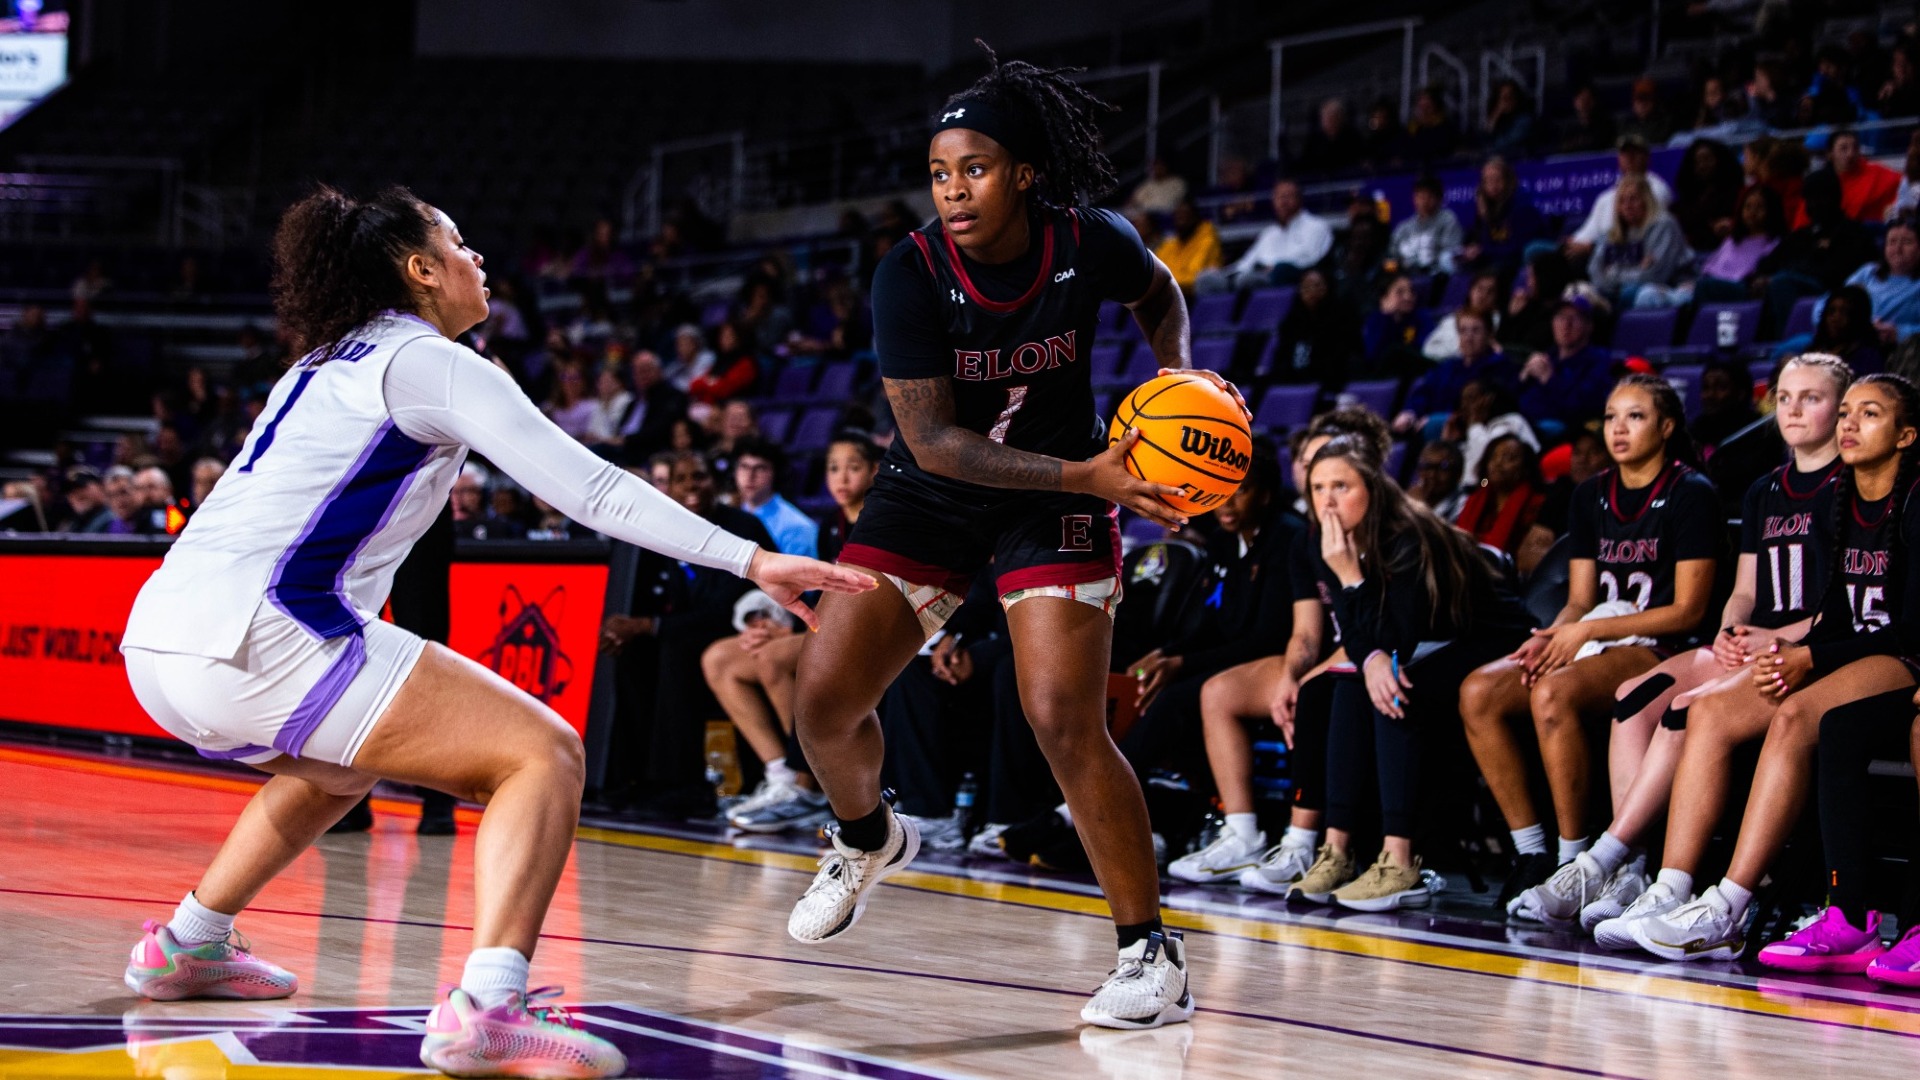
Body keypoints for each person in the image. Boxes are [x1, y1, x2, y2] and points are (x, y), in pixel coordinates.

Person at [115, 185, 870, 1080]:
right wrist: (750, 560)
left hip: (161, 640)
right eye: (460, 243)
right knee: (543, 754)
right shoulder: (431, 363)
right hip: (266, 633)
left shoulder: (322, 360)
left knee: (338, 767)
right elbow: (590, 491)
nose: (479, 259)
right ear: (421, 270)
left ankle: (190, 944)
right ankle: (488, 1011)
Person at [784, 45, 1234, 1030]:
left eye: (975, 168)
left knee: (1061, 717)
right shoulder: (908, 275)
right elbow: (936, 442)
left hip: (1055, 498)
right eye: (941, 173)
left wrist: (1179, 380)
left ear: (1025, 174)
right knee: (821, 704)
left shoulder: (1089, 239)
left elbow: (1161, 291)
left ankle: (1150, 955)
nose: (953, 189)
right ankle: (867, 837)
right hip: (939, 488)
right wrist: (1094, 474)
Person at [1507, 354, 1846, 929]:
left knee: (1689, 710)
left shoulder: (1850, 487)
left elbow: (1846, 603)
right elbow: (1743, 590)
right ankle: (1630, 870)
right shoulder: (1765, 489)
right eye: (1785, 397)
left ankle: (1615, 864)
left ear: (1841, 411)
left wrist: (1771, 637)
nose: (1792, 408)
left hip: (1805, 646)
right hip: (1752, 639)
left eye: (1810, 398)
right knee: (1637, 696)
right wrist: (1732, 628)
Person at [1611, 373, 1920, 961]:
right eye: (1847, 413)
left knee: (1797, 715)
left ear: (1907, 436)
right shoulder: (1841, 495)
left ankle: (1730, 903)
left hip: (1904, 657)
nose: (1850, 425)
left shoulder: (1915, 499)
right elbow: (1835, 607)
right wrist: (1782, 649)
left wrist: (1809, 656)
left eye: (1870, 414)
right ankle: (1671, 889)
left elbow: (1908, 629)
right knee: (1712, 711)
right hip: (1840, 649)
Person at [1458, 375, 1721, 907]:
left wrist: (1583, 631)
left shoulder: (1691, 492)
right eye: (1611, 416)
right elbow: (1579, 599)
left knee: (1553, 692)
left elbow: (1688, 611)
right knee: (1478, 692)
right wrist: (1552, 635)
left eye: (1636, 416)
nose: (1618, 429)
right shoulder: (1589, 494)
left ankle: (1574, 862)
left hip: (1664, 646)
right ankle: (1532, 851)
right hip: (1598, 636)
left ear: (1667, 426)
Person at [1285, 435, 1534, 908]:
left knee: (1396, 688)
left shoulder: (1408, 535)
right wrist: (1372, 655)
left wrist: (1352, 585)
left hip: (1495, 638)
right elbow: (1359, 636)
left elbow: (1398, 636)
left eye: (1342, 485)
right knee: (1343, 685)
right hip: (1426, 639)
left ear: (1373, 489)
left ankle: (1400, 859)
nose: (1328, 500)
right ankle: (1337, 849)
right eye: (1318, 488)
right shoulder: (1326, 539)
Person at [1188, 412, 1394, 892]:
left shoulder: (1389, 532)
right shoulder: (1307, 538)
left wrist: (1307, 676)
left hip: (1386, 651)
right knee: (1219, 691)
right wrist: (1291, 674)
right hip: (1335, 651)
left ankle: (1304, 842)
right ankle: (1242, 834)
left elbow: (1381, 628)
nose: (1316, 482)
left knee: (1320, 690)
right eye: (1308, 467)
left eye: (1329, 472)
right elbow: (1306, 633)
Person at [717, 431, 882, 833]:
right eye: (833, 468)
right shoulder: (832, 524)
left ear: (875, 472)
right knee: (720, 658)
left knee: (775, 658)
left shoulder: (879, 519)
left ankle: (809, 783)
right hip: (827, 624)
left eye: (853, 468)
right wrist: (774, 624)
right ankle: (783, 776)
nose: (841, 478)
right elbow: (811, 592)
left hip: (872, 631)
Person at [1635, 183, 1785, 310]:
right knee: (1646, 293)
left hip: (1735, 291)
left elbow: (1752, 279)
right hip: (1703, 286)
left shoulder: (1775, 244)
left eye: (1760, 207)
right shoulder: (1732, 240)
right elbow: (1709, 269)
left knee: (1699, 289)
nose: (1752, 212)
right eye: (1748, 207)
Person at [1397, 309, 1517, 438]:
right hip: (1431, 426)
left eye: (1476, 331)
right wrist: (1411, 413)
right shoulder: (1448, 366)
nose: (1468, 337)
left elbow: (1486, 408)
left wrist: (1438, 420)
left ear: (1489, 335)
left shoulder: (1500, 367)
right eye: (1463, 331)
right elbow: (1425, 393)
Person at [1197, 180, 1333, 292]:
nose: (1283, 202)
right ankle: (1214, 323)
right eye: (1279, 197)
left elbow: (1311, 258)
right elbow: (1246, 263)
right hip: (1258, 275)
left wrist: (1277, 266)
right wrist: (1223, 272)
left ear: (1299, 199)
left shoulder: (1317, 226)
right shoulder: (1269, 233)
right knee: (1206, 278)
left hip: (1290, 278)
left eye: (1288, 196)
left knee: (1248, 280)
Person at [1588, 175, 1692, 309]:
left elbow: (1656, 275)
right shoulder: (1613, 233)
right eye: (1622, 201)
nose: (1627, 205)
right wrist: (1637, 269)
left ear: (1646, 201)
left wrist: (1612, 272)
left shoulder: (1664, 225)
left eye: (1633, 199)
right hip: (1617, 291)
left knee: (1640, 295)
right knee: (1582, 297)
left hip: (1672, 288)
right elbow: (1594, 271)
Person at [1518, 295, 1614, 436]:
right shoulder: (1547, 357)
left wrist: (1550, 380)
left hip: (1567, 432)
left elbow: (1583, 408)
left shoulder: (1599, 360)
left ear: (1589, 326)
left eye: (1574, 318)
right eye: (1560, 317)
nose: (1566, 324)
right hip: (1525, 424)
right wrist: (1522, 378)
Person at [1566, 137, 1675, 262]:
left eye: (1635, 153)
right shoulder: (1606, 196)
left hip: (1632, 253)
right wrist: (1573, 242)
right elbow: (1590, 230)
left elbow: (1640, 230)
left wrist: (1593, 247)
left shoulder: (1657, 188)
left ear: (1646, 157)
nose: (1629, 158)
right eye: (1625, 154)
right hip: (1599, 251)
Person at [1457, 433, 1548, 557]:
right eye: (1493, 457)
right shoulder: (1477, 496)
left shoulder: (1537, 504)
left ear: (1525, 469)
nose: (1498, 463)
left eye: (1509, 458)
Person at [1271, 267, 1360, 387]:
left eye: (1317, 285)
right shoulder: (1292, 320)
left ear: (1327, 287)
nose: (1312, 291)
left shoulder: (1341, 317)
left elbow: (1343, 356)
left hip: (1329, 380)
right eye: (1306, 286)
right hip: (1294, 380)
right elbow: (1282, 356)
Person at [730, 437, 818, 558]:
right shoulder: (729, 514)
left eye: (760, 468)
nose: (750, 476)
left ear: (775, 473)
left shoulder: (797, 527)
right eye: (744, 467)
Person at [1359, 273, 1434, 382]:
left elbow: (1424, 350)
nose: (1408, 297)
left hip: (1414, 372)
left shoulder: (1421, 318)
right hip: (1383, 374)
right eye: (1400, 292)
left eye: (1411, 291)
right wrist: (1387, 318)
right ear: (1384, 298)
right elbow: (1372, 354)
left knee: (1396, 352)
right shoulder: (1376, 319)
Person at [1389, 175, 1463, 276]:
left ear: (1439, 198)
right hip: (1407, 276)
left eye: (1430, 196)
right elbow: (1392, 255)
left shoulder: (1448, 219)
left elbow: (1450, 254)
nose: (1425, 201)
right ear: (1414, 198)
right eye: (1421, 196)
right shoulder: (1403, 227)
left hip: (1436, 276)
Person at [1422, 270, 1503, 360]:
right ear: (1471, 291)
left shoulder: (1495, 321)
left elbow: (1468, 352)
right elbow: (1428, 349)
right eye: (1480, 289)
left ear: (1496, 297)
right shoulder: (1452, 318)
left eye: (1490, 292)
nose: (1483, 295)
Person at [1809, 284, 1886, 374]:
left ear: (1857, 317)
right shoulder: (1816, 348)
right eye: (1831, 311)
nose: (1835, 318)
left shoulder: (1869, 358)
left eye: (1844, 312)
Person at [1831, 129, 1903, 223]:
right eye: (1843, 148)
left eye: (1855, 148)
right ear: (1831, 153)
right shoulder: (1822, 182)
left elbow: (1908, 183)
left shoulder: (1876, 172)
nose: (1850, 154)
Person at [1154, 198, 1222, 295]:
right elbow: (1155, 275)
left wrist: (1165, 283)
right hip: (1171, 293)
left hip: (1195, 296)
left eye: (1185, 215)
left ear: (1195, 217)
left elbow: (1194, 278)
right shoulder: (1170, 244)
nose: (1181, 221)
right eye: (1178, 216)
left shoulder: (1207, 239)